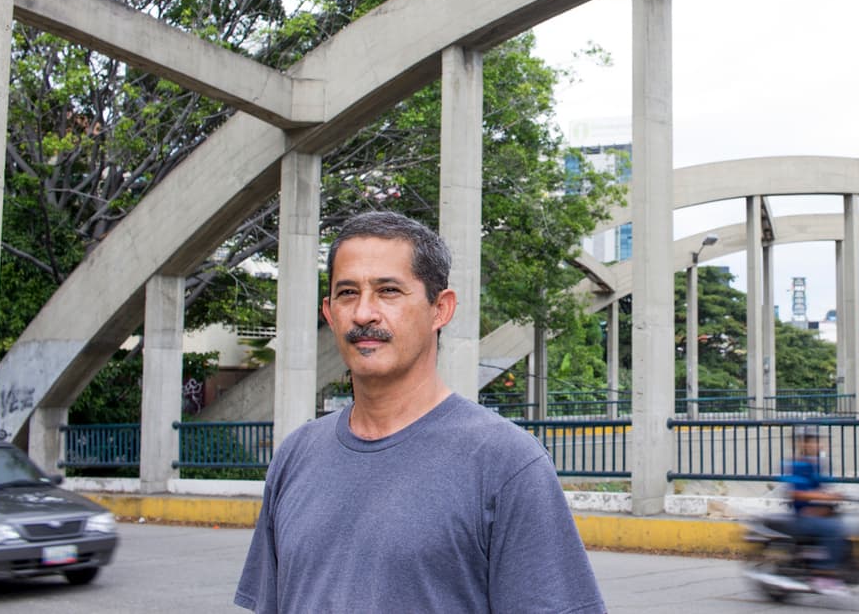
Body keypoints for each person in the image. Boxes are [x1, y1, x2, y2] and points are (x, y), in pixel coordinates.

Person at [235, 211, 605, 613]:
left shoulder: (506, 463)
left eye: (388, 291)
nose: (363, 314)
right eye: (347, 293)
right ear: (329, 313)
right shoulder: (296, 455)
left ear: (440, 309)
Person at [781, 426, 851, 595]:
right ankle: (823, 574)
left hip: (819, 512)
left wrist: (839, 495)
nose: (816, 444)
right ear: (803, 444)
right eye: (812, 441)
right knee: (833, 529)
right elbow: (795, 492)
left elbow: (826, 487)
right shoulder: (795, 464)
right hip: (803, 515)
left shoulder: (817, 465)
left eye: (817, 441)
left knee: (846, 524)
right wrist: (824, 497)